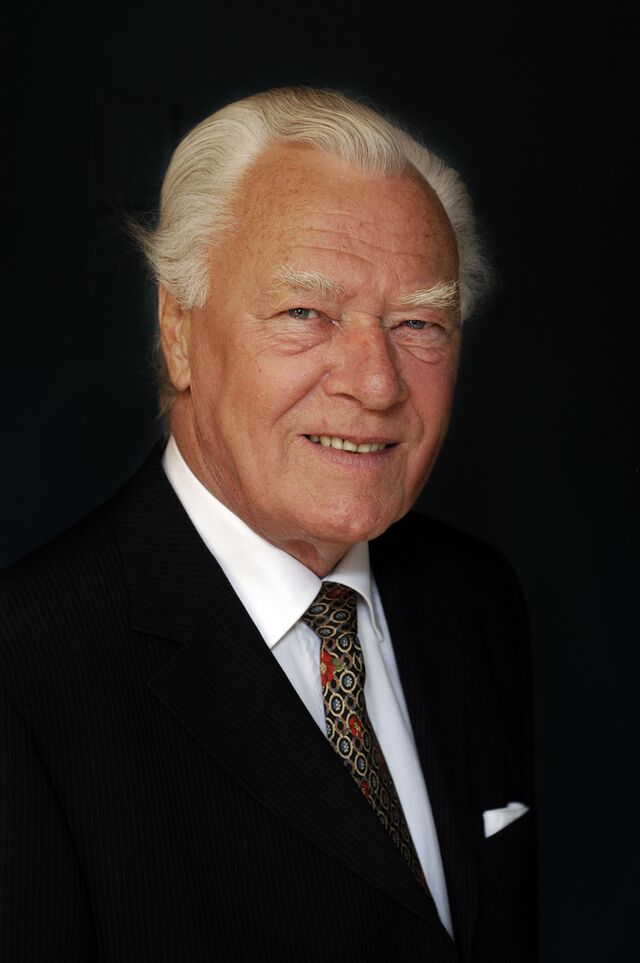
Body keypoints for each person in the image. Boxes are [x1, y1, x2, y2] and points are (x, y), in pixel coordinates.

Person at [0, 87, 535, 962]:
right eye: (305, 314)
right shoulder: (25, 670)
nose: (376, 383)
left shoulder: (474, 599)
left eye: (418, 322)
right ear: (178, 330)